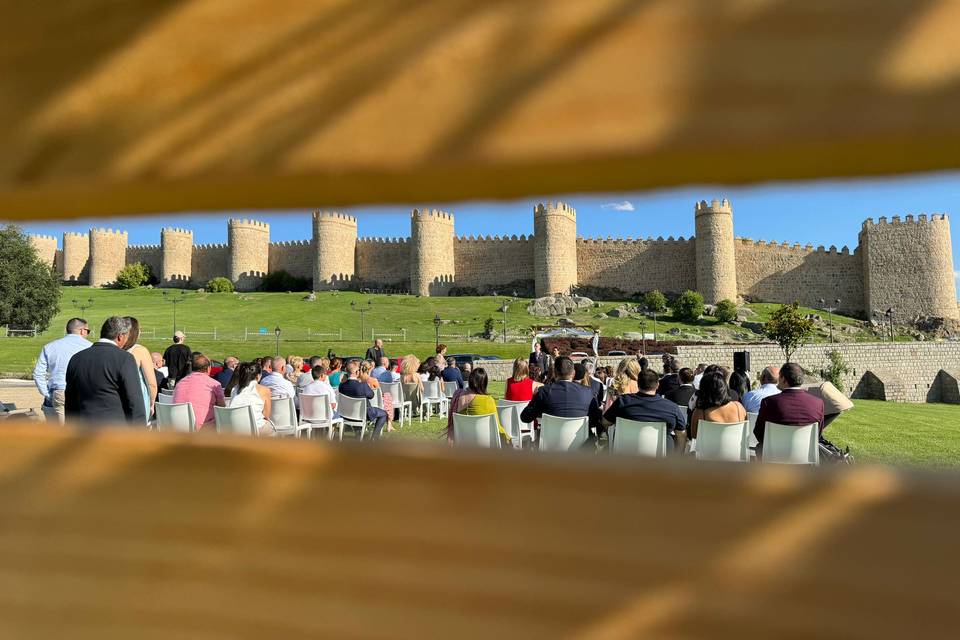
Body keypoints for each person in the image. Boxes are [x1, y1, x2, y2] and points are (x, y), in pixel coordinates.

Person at [64, 316, 147, 426]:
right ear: (120, 336)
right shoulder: (124, 359)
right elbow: (135, 401)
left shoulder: (76, 358)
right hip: (114, 432)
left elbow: (70, 401)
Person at [603, 368, 687, 451]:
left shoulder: (623, 402)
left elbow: (605, 422)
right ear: (657, 385)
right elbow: (681, 435)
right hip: (661, 459)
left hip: (627, 455)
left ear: (638, 385)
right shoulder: (671, 407)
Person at [520, 357, 602, 440]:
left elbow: (525, 417)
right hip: (581, 447)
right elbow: (595, 420)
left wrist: (534, 397)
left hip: (551, 446)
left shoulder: (544, 392)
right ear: (573, 373)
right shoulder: (588, 392)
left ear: (555, 373)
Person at [32, 317, 91, 423]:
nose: (88, 334)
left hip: (57, 391)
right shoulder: (90, 347)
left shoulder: (50, 347)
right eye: (88, 331)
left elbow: (38, 373)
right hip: (81, 392)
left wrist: (46, 394)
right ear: (82, 330)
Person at [754, 363, 825, 451]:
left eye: (779, 377)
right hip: (805, 456)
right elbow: (817, 435)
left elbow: (758, 433)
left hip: (775, 456)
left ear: (783, 379)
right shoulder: (818, 403)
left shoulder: (769, 402)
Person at [446, 368, 511, 444]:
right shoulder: (488, 400)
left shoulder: (457, 395)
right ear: (484, 383)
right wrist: (509, 440)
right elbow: (497, 427)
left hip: (462, 445)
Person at [172, 353, 226, 428]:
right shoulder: (214, 384)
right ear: (208, 368)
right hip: (203, 428)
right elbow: (222, 408)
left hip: (178, 426)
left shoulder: (179, 383)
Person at [689, 371, 746, 440]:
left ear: (703, 390)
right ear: (724, 388)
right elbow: (745, 430)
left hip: (709, 450)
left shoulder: (700, 412)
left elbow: (694, 435)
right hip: (736, 449)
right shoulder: (738, 406)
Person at [339, 360, 387, 439]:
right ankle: (374, 438)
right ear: (357, 372)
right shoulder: (362, 386)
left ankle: (359, 435)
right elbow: (371, 395)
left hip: (347, 414)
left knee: (364, 412)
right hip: (363, 413)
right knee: (383, 414)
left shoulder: (341, 386)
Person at [122, 317, 158, 422]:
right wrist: (152, 402)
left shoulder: (114, 349)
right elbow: (152, 383)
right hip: (138, 403)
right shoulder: (140, 350)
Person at [226, 361, 275, 436]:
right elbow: (266, 415)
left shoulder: (234, 389)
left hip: (234, 429)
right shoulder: (264, 390)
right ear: (258, 376)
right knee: (271, 428)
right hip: (255, 430)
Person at [360, 360, 394, 431]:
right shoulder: (373, 380)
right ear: (370, 369)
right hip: (373, 404)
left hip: (362, 404)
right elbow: (379, 393)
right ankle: (389, 423)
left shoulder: (358, 380)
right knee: (388, 396)